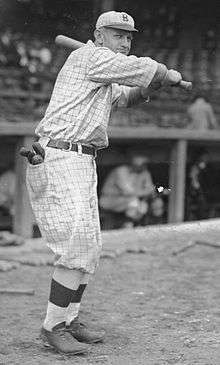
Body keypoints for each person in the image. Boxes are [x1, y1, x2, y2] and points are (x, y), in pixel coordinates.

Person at [23, 10, 183, 355]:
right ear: (98, 36)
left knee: (90, 247)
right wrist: (163, 73)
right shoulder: (90, 57)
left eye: (127, 37)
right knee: (76, 247)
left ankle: (69, 319)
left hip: (83, 159)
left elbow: (127, 96)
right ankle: (52, 326)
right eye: (116, 35)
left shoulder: (103, 72)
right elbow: (146, 69)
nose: (123, 42)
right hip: (62, 155)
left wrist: (152, 85)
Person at [99, 153, 157, 228]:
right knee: (133, 202)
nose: (144, 167)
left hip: (129, 200)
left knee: (143, 205)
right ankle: (128, 226)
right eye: (141, 164)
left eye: (145, 165)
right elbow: (127, 191)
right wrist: (145, 191)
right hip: (109, 200)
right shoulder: (121, 171)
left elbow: (150, 189)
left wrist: (146, 191)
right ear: (133, 164)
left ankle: (132, 226)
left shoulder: (144, 172)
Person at [185, 149, 210, 220]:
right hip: (192, 192)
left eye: (207, 158)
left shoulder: (204, 168)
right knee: (201, 200)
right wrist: (198, 189)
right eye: (204, 158)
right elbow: (193, 182)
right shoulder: (194, 167)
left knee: (204, 198)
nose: (206, 160)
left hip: (200, 190)